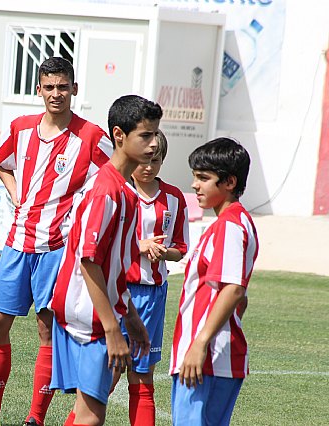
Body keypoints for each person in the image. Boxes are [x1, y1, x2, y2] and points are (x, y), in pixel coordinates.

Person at [0, 57, 114, 426]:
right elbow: (0, 162)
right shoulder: (21, 127)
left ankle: (35, 419)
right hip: (17, 244)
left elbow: (114, 180)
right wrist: (18, 196)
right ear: (39, 90)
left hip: (58, 249)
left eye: (63, 87)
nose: (56, 94)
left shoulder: (91, 136)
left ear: (74, 89)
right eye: (49, 87)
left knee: (47, 328)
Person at [49, 94, 163, 426]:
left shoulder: (124, 189)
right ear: (119, 136)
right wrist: (112, 327)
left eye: (155, 134)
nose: (154, 144)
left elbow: (115, 267)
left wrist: (130, 319)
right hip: (88, 315)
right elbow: (89, 260)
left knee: (89, 412)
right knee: (91, 416)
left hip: (97, 312)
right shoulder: (106, 190)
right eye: (145, 135)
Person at [169, 137, 259, 426]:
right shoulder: (236, 222)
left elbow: (234, 289)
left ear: (230, 182)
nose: (195, 185)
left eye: (204, 178)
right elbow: (239, 298)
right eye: (195, 177)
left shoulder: (230, 226)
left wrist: (199, 343)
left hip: (207, 357)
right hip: (217, 355)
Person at [114, 129, 189, 425]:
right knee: (108, 371)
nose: (148, 166)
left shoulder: (174, 197)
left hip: (153, 294)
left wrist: (163, 252)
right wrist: (138, 246)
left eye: (155, 160)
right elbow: (103, 242)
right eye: (144, 159)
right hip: (119, 290)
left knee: (142, 374)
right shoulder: (119, 190)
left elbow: (180, 249)